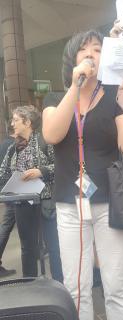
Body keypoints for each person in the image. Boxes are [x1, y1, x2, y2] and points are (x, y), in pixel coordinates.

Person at [42, 30, 123, 319]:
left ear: (106, 57)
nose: (90, 54)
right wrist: (76, 86)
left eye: (97, 49)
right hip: (68, 203)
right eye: (83, 50)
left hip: (111, 201)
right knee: (75, 286)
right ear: (71, 60)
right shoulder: (56, 96)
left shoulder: (116, 95)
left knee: (117, 284)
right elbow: (51, 133)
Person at [0, 105, 62, 282]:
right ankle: (29, 284)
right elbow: (2, 173)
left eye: (16, 120)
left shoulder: (44, 141)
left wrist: (41, 171)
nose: (12, 123)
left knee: (53, 246)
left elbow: (60, 165)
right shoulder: (13, 148)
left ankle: (60, 283)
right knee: (27, 248)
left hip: (45, 202)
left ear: (27, 122)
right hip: (22, 203)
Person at [0, 130, 16, 278]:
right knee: (6, 226)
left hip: (7, 190)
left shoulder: (4, 144)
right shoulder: (12, 145)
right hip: (14, 191)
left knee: (6, 226)